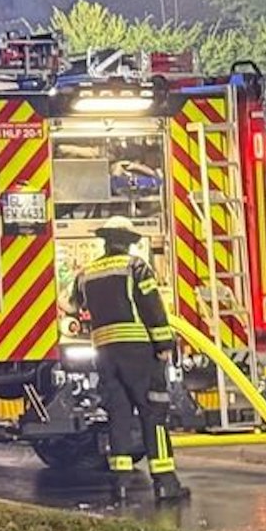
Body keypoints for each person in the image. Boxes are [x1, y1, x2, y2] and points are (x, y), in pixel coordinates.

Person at [71, 215, 189, 502]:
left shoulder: (88, 273)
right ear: (127, 242)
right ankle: (165, 481)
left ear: (106, 241)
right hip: (139, 351)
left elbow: (74, 304)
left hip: (105, 353)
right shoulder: (135, 267)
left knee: (119, 416)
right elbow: (152, 306)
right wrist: (163, 343)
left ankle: (121, 484)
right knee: (153, 412)